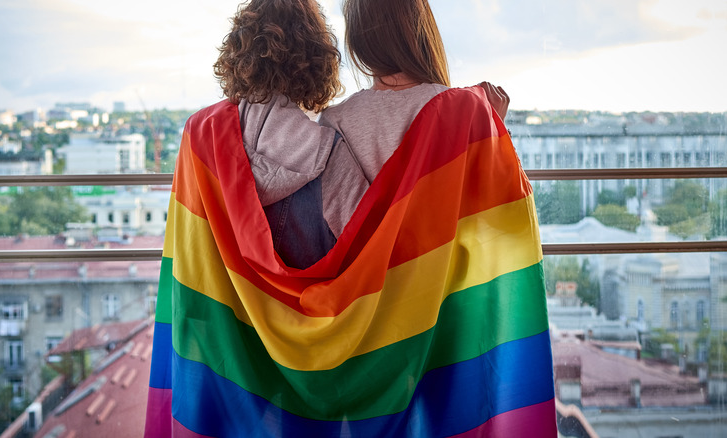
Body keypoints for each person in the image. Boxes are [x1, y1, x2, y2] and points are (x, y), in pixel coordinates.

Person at [146, 0, 556, 436]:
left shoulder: (317, 127)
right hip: (420, 335)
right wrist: (490, 129)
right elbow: (496, 230)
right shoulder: (462, 115)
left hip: (250, 346)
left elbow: (193, 263)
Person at [318, 0, 510, 238]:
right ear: (421, 29)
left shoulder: (335, 121)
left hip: (376, 274)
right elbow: (494, 211)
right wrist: (493, 129)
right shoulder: (463, 107)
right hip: (447, 271)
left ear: (358, 40)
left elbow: (347, 230)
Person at [214, 0, 342, 268]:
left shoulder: (202, 134)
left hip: (229, 308)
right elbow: (365, 244)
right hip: (304, 308)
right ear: (315, 58)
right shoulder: (333, 149)